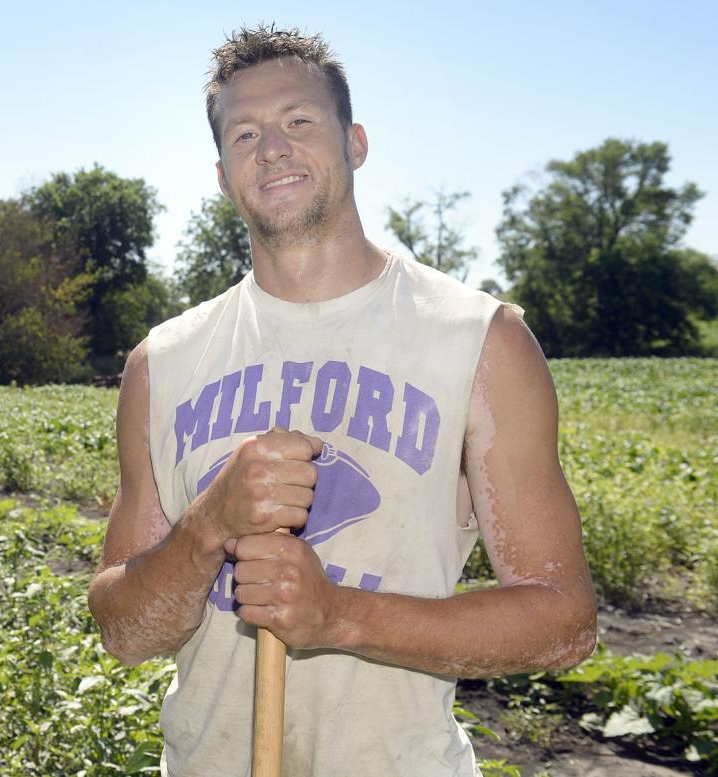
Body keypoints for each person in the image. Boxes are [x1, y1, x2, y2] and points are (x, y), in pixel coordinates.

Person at [86, 24, 597, 777]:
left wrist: (337, 616)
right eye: (246, 134)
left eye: (299, 121)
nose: (273, 148)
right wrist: (208, 527)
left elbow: (562, 621)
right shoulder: (162, 363)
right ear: (222, 175)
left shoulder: (478, 340)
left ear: (355, 142)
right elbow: (125, 632)